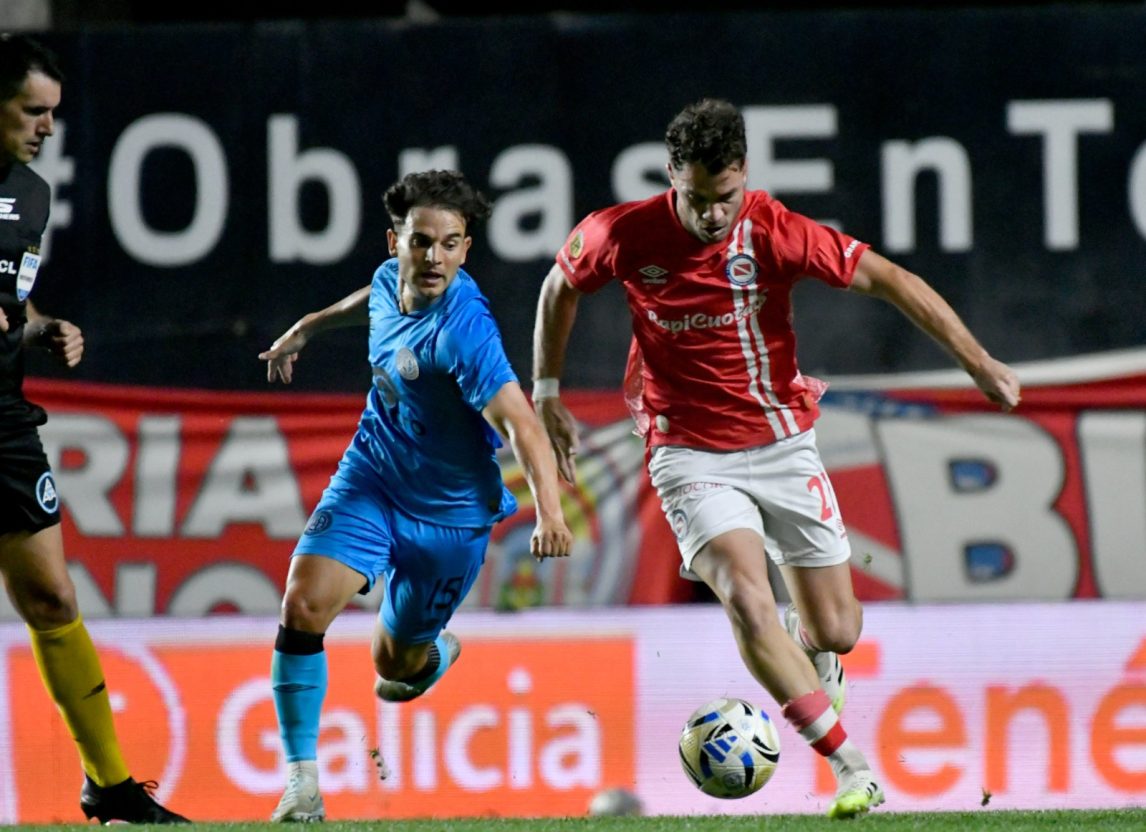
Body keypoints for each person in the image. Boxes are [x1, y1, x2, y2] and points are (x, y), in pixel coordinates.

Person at [532, 98, 1021, 819]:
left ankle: (806, 643)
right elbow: (559, 286)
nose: (711, 215)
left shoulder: (776, 231)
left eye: (724, 196)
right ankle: (851, 768)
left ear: (744, 172)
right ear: (671, 175)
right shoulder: (622, 232)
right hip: (687, 451)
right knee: (743, 591)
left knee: (838, 631)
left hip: (783, 443)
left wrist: (979, 363)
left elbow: (891, 280)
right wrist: (546, 391)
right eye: (696, 197)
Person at [261, 169, 574, 822]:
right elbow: (369, 302)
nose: (434, 258)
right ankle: (302, 784)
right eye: (421, 242)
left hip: (449, 517)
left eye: (450, 244)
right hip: (373, 476)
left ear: (466, 249)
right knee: (302, 603)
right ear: (394, 243)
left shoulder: (464, 333)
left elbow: (520, 424)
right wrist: (307, 328)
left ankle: (432, 653)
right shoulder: (387, 282)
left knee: (394, 667)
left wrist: (550, 512)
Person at [0, 33, 189, 824]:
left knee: (52, 596)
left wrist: (41, 328)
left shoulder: (30, 195)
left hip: (3, 420)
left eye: (53, 113)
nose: (47, 127)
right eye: (31, 111)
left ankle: (108, 785)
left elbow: (13, 299)